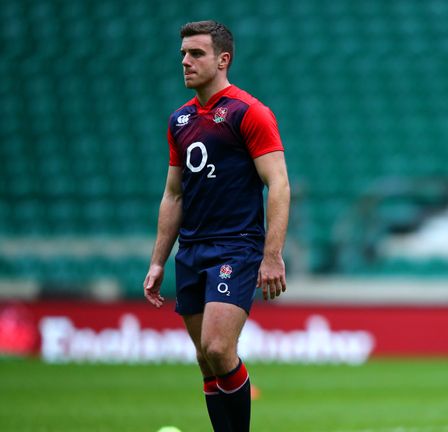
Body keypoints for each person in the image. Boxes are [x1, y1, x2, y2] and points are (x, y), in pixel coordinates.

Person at [143, 20, 290, 431]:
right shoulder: (179, 121)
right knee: (205, 360)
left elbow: (277, 183)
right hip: (191, 250)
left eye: (196, 54)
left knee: (218, 347)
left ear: (223, 59)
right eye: (183, 55)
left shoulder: (249, 112)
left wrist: (272, 254)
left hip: (235, 247)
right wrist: (158, 261)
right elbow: (173, 195)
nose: (186, 62)